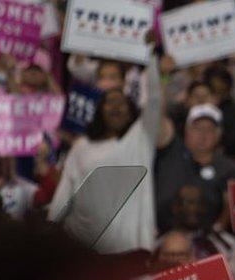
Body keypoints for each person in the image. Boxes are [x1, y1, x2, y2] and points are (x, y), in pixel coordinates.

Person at [48, 54, 164, 254]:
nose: (116, 107)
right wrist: (50, 226)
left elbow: (154, 100)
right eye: (110, 103)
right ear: (99, 111)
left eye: (121, 103)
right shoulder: (82, 146)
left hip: (130, 249)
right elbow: (64, 192)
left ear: (131, 112)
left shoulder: (140, 140)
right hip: (85, 246)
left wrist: (153, 60)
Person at [155, 103, 235, 234]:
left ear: (218, 135)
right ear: (186, 131)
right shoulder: (169, 155)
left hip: (209, 238)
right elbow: (160, 123)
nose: (203, 135)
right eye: (197, 128)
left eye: (209, 129)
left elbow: (230, 205)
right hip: (164, 235)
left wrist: (217, 230)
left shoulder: (228, 168)